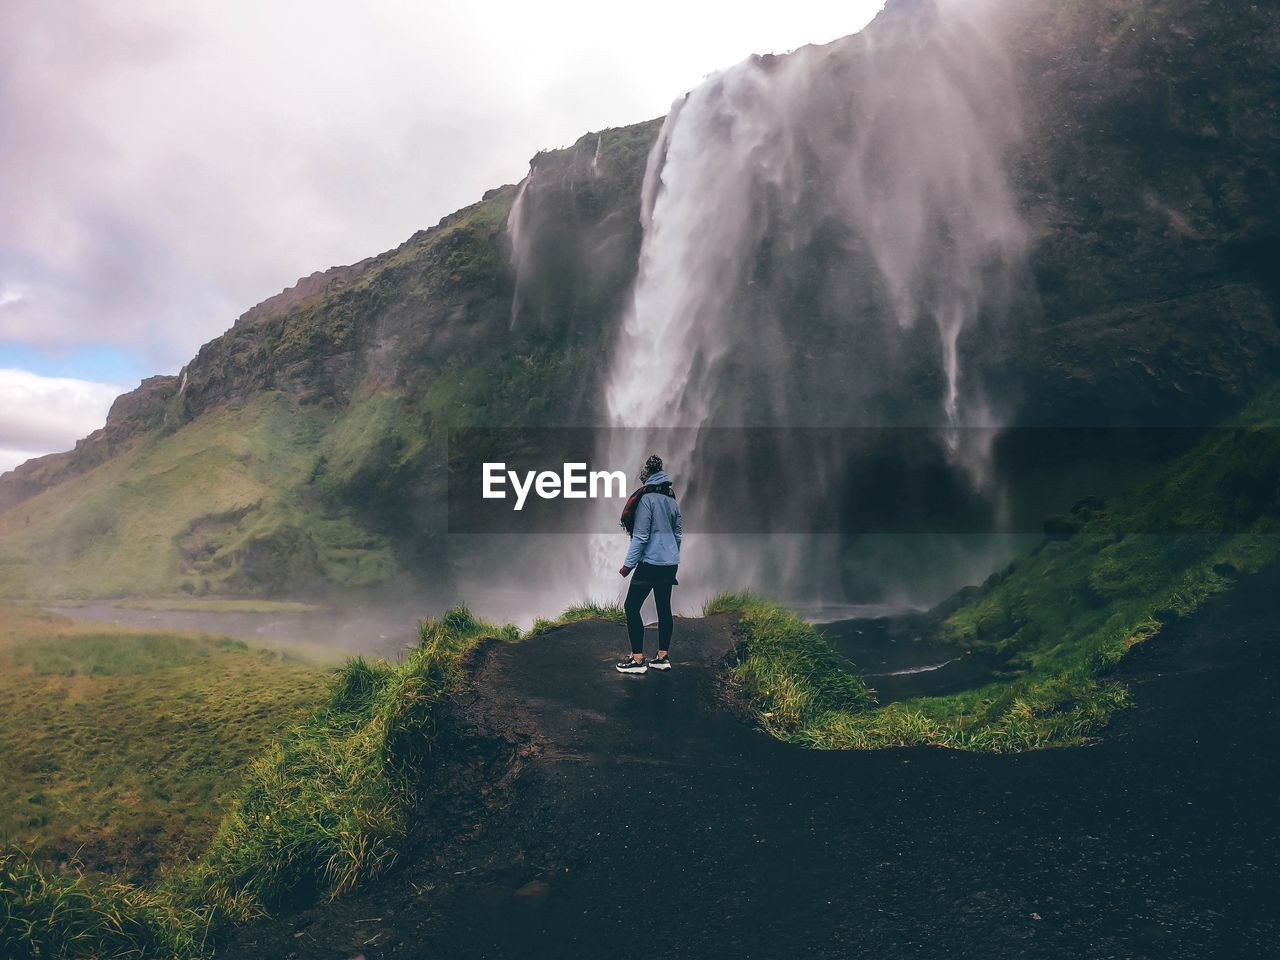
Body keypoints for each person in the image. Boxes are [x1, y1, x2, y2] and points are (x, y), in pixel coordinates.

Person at [616, 454, 682, 674]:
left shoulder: (646, 499)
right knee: (664, 607)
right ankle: (662, 657)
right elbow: (678, 533)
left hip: (650, 563)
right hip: (669, 563)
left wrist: (628, 565)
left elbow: (641, 536)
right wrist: (672, 554)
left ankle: (637, 660)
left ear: (647, 474)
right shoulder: (671, 498)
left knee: (631, 606)